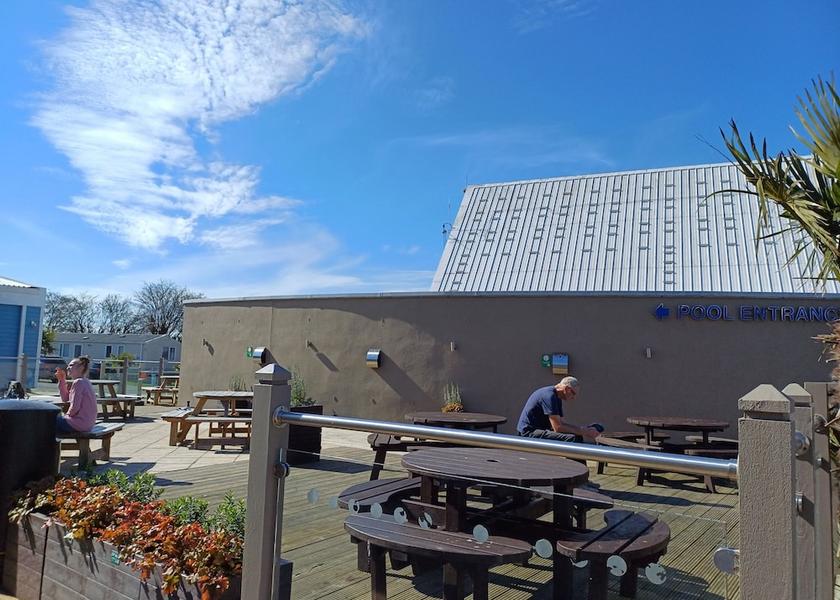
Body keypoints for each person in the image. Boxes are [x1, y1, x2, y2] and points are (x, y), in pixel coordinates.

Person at [516, 376, 601, 442]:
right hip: (528, 433)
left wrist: (584, 429)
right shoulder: (549, 396)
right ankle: (574, 465)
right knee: (574, 439)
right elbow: (558, 428)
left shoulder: (557, 397)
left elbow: (561, 424)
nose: (573, 398)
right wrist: (584, 431)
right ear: (567, 389)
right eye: (573, 393)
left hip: (537, 430)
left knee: (576, 436)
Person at [55, 356, 97, 433]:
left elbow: (75, 407)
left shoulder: (78, 382)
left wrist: (66, 416)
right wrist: (61, 380)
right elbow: (66, 399)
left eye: (71, 365)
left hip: (78, 424)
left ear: (81, 367)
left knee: (46, 421)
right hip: (87, 424)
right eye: (68, 365)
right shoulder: (85, 381)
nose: (68, 367)